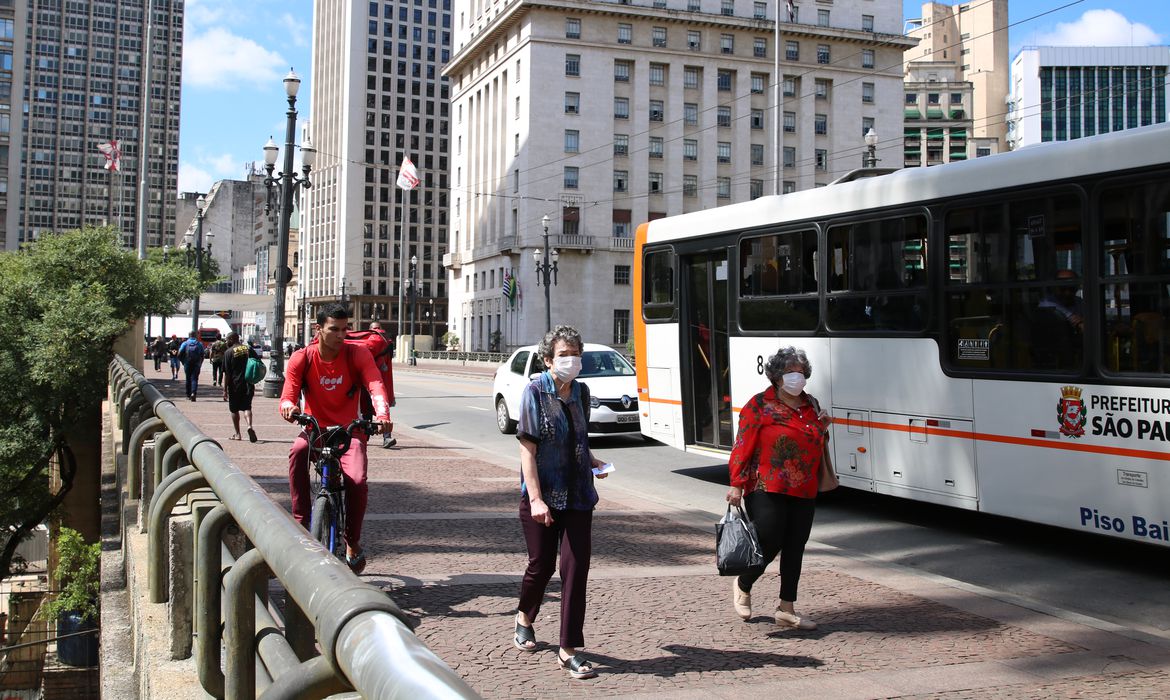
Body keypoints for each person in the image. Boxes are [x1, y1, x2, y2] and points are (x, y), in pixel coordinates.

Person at [511, 325, 609, 681]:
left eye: (576, 354)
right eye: (564, 355)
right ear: (549, 360)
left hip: (580, 496)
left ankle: (568, 650)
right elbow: (528, 450)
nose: (572, 360)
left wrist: (593, 461)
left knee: (575, 569)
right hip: (544, 496)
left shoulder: (581, 392)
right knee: (541, 566)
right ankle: (524, 616)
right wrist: (535, 499)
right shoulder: (535, 392)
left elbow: (577, 437)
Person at [278, 304, 392, 574]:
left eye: (345, 329)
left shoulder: (357, 354)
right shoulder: (302, 358)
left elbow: (375, 384)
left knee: (357, 480)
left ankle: (352, 541)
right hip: (315, 430)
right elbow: (288, 393)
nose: (341, 335)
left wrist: (382, 413)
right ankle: (302, 523)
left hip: (349, 432)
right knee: (297, 452)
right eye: (334, 330)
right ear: (319, 330)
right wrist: (287, 406)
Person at [726, 346, 830, 631]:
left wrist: (824, 428)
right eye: (790, 371)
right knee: (769, 539)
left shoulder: (811, 404)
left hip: (803, 487)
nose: (797, 376)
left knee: (796, 545)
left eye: (801, 371)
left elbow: (815, 441)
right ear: (777, 376)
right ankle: (744, 582)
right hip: (765, 484)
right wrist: (736, 483)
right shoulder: (759, 405)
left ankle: (786, 607)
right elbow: (742, 446)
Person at [222, 332, 259, 442]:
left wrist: (224, 390)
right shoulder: (248, 349)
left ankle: (238, 434)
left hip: (235, 385)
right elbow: (257, 363)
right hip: (248, 383)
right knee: (247, 407)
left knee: (234, 409)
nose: (226, 342)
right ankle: (249, 426)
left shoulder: (228, 352)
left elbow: (227, 374)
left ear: (233, 339)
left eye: (228, 339)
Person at [368, 321, 397, 448]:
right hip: (368, 382)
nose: (377, 331)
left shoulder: (386, 343)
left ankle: (387, 437)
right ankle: (363, 436)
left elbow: (388, 368)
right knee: (366, 411)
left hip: (380, 383)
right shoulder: (366, 344)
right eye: (375, 329)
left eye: (379, 328)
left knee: (383, 409)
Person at [177, 331, 206, 401]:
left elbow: (179, 354)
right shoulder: (199, 344)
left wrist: (183, 362)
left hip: (187, 363)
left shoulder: (185, 343)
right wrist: (200, 363)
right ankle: (193, 393)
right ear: (195, 335)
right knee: (194, 379)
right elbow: (202, 355)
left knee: (188, 378)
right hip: (196, 364)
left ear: (189, 335)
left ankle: (188, 395)